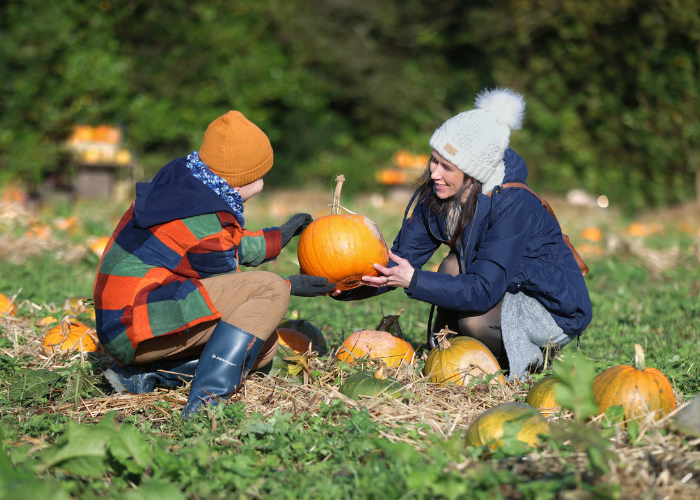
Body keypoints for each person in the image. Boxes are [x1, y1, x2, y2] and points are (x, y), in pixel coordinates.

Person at [333, 88, 592, 380]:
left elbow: (482, 291)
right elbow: (400, 260)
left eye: (447, 167)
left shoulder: (513, 204)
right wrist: (350, 284)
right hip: (502, 289)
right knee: (452, 265)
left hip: (548, 309)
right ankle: (448, 356)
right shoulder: (439, 195)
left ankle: (529, 358)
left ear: (473, 171)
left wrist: (415, 280)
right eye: (434, 160)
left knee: (475, 322)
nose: (434, 173)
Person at [94, 111, 335, 418]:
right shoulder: (203, 218)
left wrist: (278, 237)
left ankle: (146, 376)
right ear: (243, 179)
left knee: (263, 346)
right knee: (269, 293)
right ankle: (205, 405)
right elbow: (233, 286)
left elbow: (219, 247)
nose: (263, 182)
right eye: (260, 176)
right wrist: (289, 287)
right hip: (136, 321)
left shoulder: (189, 187)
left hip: (134, 316)